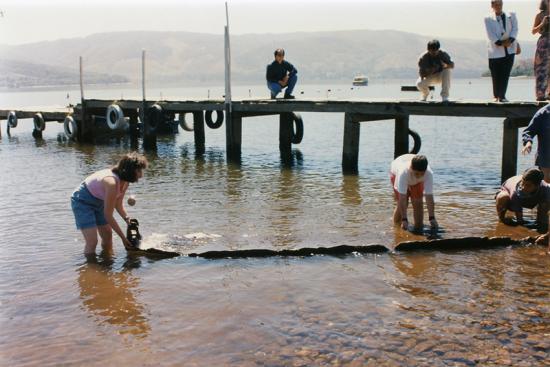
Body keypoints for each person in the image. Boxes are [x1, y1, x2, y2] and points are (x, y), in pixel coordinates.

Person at [71, 152, 148, 255]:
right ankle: (91, 268)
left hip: (99, 200)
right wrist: (123, 238)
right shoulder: (111, 183)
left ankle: (107, 261)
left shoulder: (125, 181)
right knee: (92, 242)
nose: (141, 175)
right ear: (129, 171)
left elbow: (118, 204)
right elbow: (108, 216)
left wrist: (127, 219)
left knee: (107, 235)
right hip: (83, 201)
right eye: (138, 171)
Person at [390, 154, 438, 231]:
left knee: (418, 202)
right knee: (403, 203)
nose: (419, 176)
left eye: (422, 174)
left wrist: (432, 218)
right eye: (416, 174)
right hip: (396, 171)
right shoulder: (403, 172)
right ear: (411, 168)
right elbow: (402, 198)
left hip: (415, 179)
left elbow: (429, 196)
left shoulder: (428, 173)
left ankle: (418, 228)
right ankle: (396, 228)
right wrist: (404, 219)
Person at [484, 0, 519, 103]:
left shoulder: (511, 15)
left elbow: (515, 29)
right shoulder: (487, 19)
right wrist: (501, 43)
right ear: (492, 5)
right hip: (495, 51)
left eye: (500, 4)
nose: (499, 6)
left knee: (505, 74)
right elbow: (490, 35)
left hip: (510, 49)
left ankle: (502, 96)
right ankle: (496, 96)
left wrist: (511, 40)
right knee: (495, 74)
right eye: (496, 4)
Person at [495, 168, 549, 234]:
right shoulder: (515, 192)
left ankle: (540, 224)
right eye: (522, 183)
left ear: (537, 186)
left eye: (528, 185)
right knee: (502, 197)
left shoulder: (545, 189)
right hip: (509, 197)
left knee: (545, 208)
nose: (523, 187)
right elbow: (519, 220)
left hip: (533, 198)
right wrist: (521, 228)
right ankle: (501, 219)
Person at [522, 104, 550, 183]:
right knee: (546, 184)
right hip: (545, 158)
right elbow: (529, 131)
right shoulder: (543, 113)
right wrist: (528, 142)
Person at [532, 0, 549, 101]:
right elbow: (533, 31)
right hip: (544, 44)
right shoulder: (540, 15)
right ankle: (540, 94)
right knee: (541, 69)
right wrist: (542, 23)